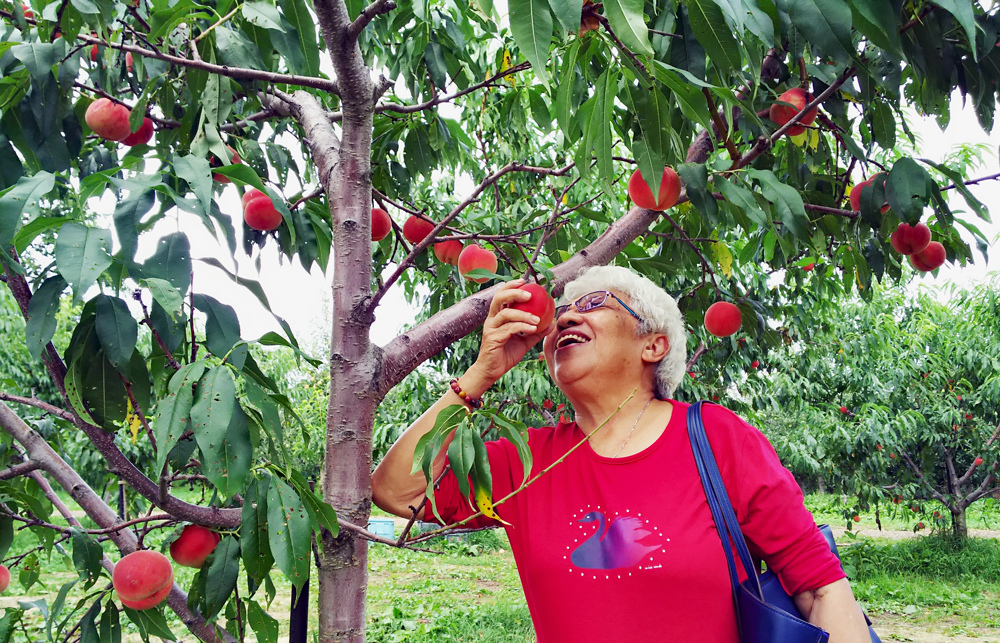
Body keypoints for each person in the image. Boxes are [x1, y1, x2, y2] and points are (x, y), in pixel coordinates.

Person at [372, 266, 870, 642]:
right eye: (562, 311)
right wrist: (480, 375)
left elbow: (820, 587)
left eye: (593, 302)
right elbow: (398, 491)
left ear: (653, 345)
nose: (566, 315)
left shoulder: (717, 439)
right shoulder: (528, 461)